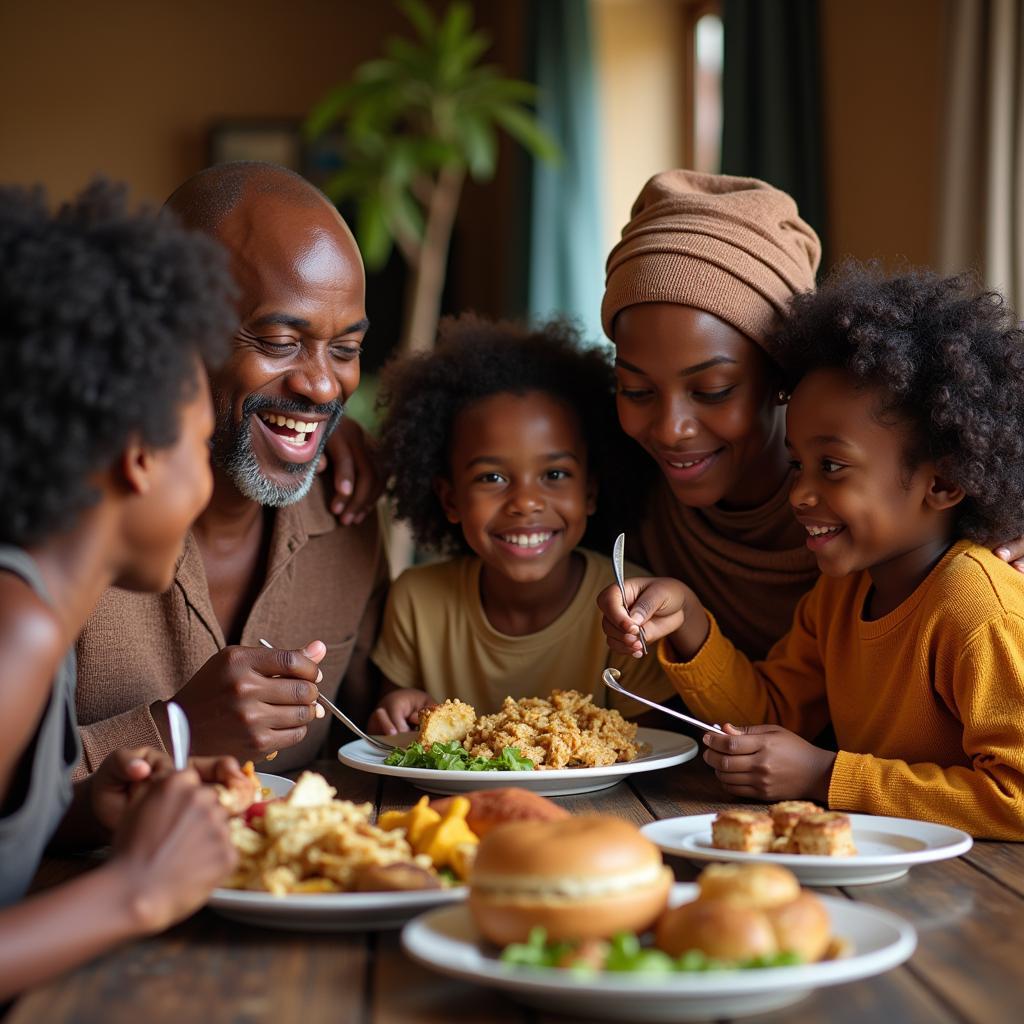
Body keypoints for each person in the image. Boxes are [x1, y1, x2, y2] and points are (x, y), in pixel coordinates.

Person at [600, 263, 1024, 839]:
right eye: (798, 463)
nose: (799, 493)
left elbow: (1017, 796)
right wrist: (691, 621)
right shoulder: (842, 591)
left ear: (944, 482)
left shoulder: (977, 608)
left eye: (832, 466)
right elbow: (771, 716)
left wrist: (827, 775)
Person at [601, 169, 1024, 662]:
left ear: (781, 376)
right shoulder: (613, 486)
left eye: (713, 390)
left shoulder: (906, 509)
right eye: (635, 389)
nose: (671, 429)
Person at [0, 180, 240, 999]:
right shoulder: (16, 631)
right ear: (140, 454)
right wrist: (135, 889)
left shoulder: (37, 619)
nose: (209, 485)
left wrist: (86, 810)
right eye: (205, 447)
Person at [73, 162, 389, 774]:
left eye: (346, 349)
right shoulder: (65, 522)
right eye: (278, 342)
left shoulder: (348, 507)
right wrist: (177, 732)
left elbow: (375, 732)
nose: (324, 385)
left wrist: (403, 712)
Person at [367, 316, 675, 734]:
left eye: (555, 475)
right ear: (450, 499)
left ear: (590, 491)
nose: (526, 502)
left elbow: (649, 747)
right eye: (492, 478)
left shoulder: (630, 606)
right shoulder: (417, 603)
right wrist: (397, 708)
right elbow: (397, 728)